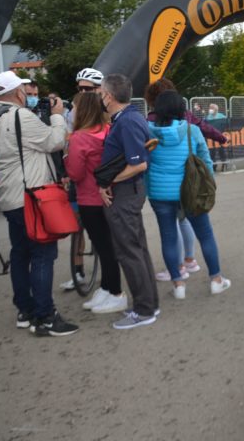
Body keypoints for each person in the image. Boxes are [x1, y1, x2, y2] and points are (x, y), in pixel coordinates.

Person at [0, 71, 79, 336]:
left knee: (20, 254)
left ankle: (25, 310)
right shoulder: (19, 116)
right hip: (32, 196)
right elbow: (55, 141)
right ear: (17, 93)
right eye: (25, 90)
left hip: (10, 198)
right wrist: (56, 114)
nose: (28, 95)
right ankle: (46, 317)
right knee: (43, 254)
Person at [145, 89, 231, 299]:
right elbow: (205, 160)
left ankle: (178, 284)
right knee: (206, 235)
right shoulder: (192, 130)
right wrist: (208, 184)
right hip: (190, 192)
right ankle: (216, 280)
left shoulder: (147, 131)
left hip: (159, 193)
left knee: (168, 237)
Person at [97, 73, 159, 330]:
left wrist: (108, 183)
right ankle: (149, 305)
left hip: (125, 193)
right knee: (136, 248)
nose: (100, 97)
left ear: (109, 96)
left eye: (101, 93)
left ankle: (144, 310)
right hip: (127, 191)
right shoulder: (128, 118)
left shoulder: (128, 121)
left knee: (130, 251)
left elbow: (138, 164)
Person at [64, 91, 128, 314]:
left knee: (104, 247)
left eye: (73, 107)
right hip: (111, 196)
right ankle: (106, 287)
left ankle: (116, 292)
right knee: (107, 245)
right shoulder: (108, 130)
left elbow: (75, 172)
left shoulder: (79, 138)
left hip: (89, 198)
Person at [59, 68, 106, 291]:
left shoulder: (108, 112)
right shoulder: (73, 112)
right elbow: (68, 142)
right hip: (79, 179)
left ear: (99, 89)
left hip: (101, 184)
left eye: (87, 89)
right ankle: (78, 272)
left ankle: (110, 274)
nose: (82, 92)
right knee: (77, 227)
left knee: (105, 233)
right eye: (79, 88)